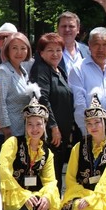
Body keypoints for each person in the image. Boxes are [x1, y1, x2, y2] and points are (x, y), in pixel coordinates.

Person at [29, 32, 76, 188]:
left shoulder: (59, 70)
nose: (55, 54)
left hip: (62, 132)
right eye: (50, 50)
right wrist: (53, 127)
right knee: (50, 174)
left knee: (57, 172)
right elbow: (42, 98)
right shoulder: (41, 69)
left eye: (58, 50)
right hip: (50, 133)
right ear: (41, 53)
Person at [0, 32, 34, 140]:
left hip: (23, 130)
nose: (19, 52)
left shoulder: (23, 72)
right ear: (7, 50)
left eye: (23, 48)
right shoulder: (2, 71)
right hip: (8, 134)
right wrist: (6, 130)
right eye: (14, 48)